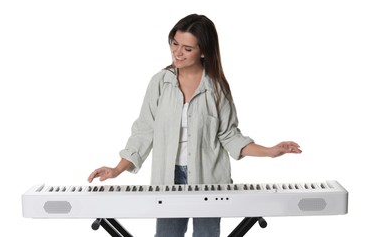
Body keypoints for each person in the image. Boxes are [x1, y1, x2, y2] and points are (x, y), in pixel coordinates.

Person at [87, 13, 302, 237]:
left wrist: (270, 151)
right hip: (168, 180)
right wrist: (116, 169)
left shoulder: (217, 89)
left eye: (187, 49)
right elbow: (144, 131)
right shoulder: (160, 83)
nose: (177, 52)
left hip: (209, 179)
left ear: (204, 51)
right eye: (175, 43)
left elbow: (230, 136)